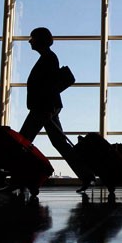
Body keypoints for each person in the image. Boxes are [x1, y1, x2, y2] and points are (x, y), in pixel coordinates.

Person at [19, 27, 94, 193]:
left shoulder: (48, 59)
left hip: (43, 108)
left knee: (23, 142)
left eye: (32, 38)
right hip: (46, 107)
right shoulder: (48, 58)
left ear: (40, 40)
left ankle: (20, 179)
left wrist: (48, 108)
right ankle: (86, 174)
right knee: (59, 143)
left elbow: (48, 87)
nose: (30, 41)